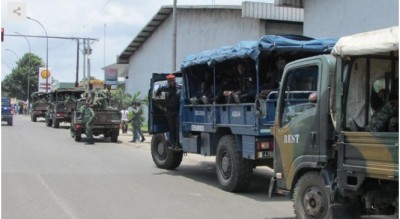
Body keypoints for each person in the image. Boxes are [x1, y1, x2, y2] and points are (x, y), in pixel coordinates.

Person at [155, 74, 181, 150]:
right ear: (168, 81)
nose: (172, 82)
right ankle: (173, 144)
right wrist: (163, 108)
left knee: (177, 128)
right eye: (170, 81)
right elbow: (156, 96)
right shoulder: (164, 88)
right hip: (169, 112)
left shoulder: (178, 87)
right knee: (172, 128)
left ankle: (177, 144)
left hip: (177, 111)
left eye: (173, 80)